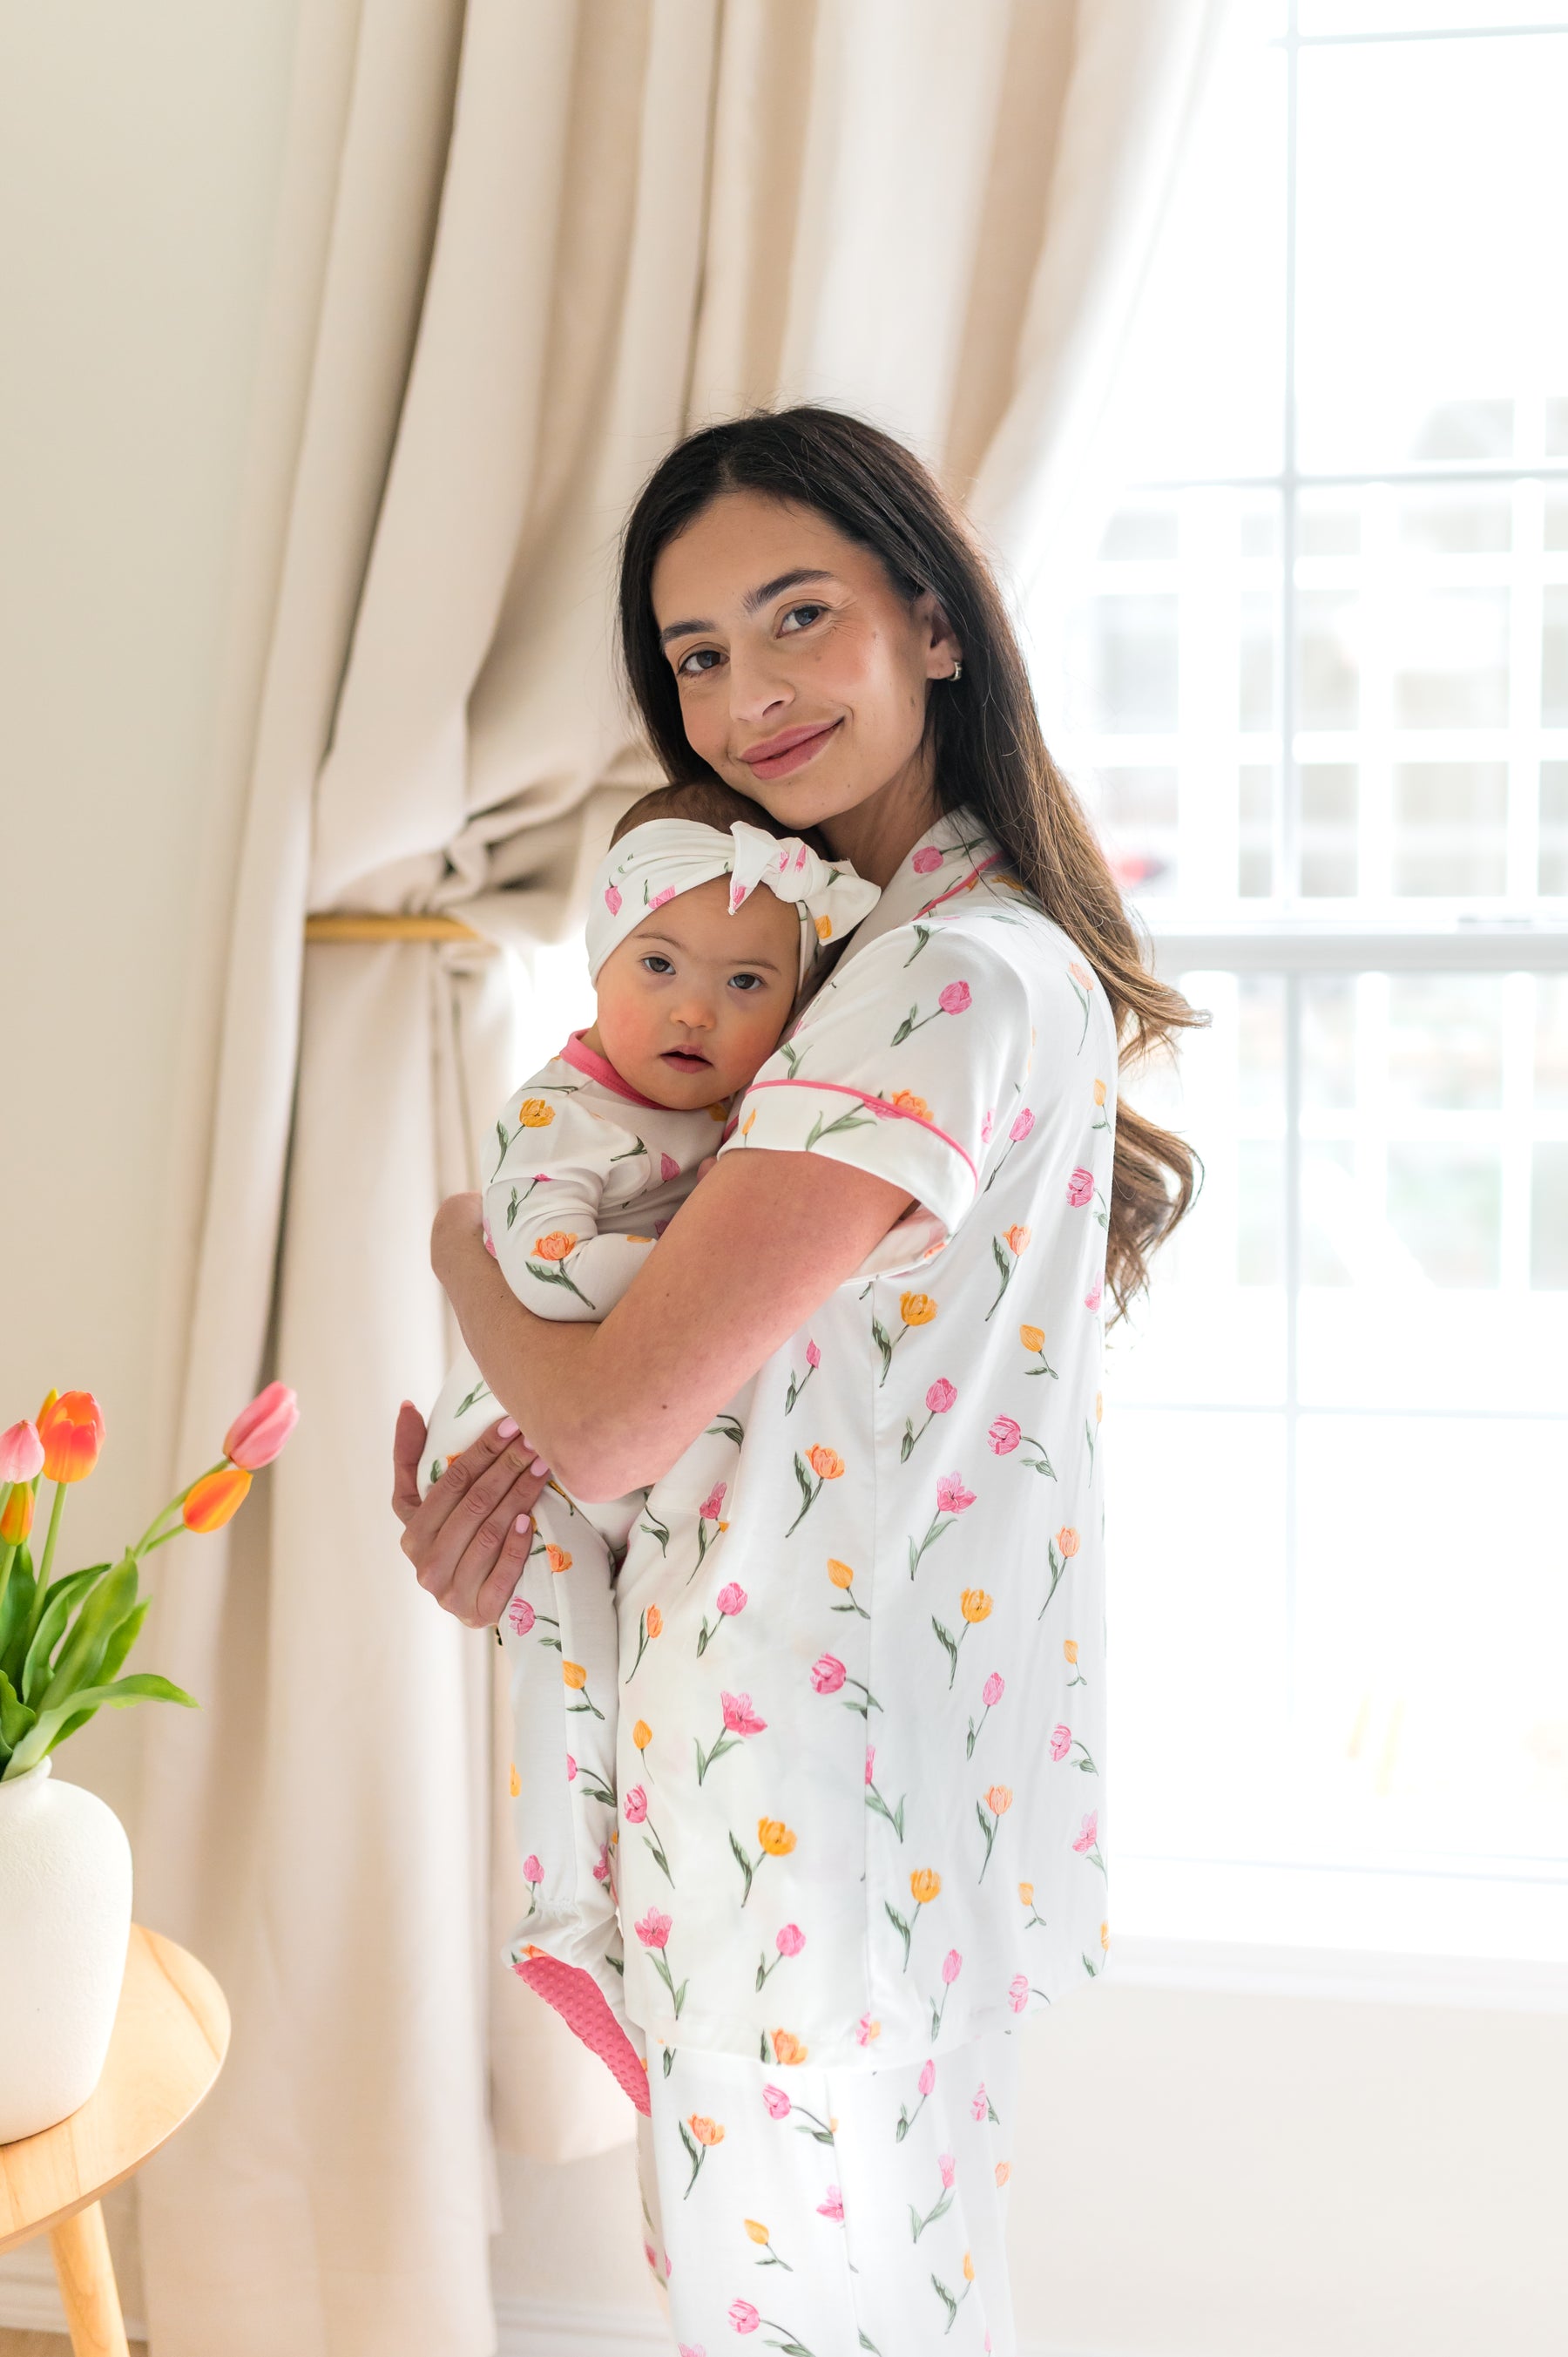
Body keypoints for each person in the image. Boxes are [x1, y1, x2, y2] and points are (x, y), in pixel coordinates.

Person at [393, 407, 1200, 2356]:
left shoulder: (945, 982)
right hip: (826, 1777)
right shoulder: (853, 974)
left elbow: (607, 1416)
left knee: (807, 2315)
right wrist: (527, 1529)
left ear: (933, 623)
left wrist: (453, 1255)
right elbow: (710, 1422)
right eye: (694, 655)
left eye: (796, 617)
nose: (743, 694)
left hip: (802, 1793)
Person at [418, 778, 879, 2108]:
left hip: (636, 1465)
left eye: (747, 983)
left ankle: (609, 1920)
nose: (696, 1010)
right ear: (600, 963)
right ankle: (568, 1917)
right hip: (530, 1457)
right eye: (662, 966)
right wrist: (697, 1283)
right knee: (565, 1677)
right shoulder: (564, 1109)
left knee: (624, 1700)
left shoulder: (756, 1126)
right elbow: (547, 1274)